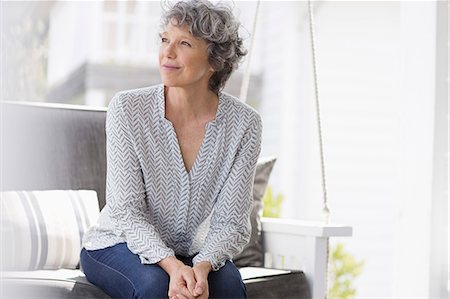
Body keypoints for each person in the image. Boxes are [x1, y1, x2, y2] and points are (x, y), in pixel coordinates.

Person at [80, 1, 262, 298]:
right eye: (165, 40)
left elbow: (231, 222)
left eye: (184, 43)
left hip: (192, 253)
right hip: (116, 243)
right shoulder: (127, 109)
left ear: (214, 61)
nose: (167, 51)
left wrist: (201, 267)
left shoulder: (245, 125)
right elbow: (126, 212)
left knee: (227, 285)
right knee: (156, 286)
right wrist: (173, 267)